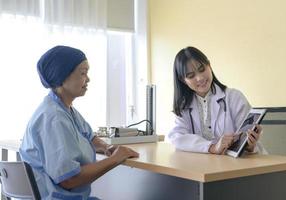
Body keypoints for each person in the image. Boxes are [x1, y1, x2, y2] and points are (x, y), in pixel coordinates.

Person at [19, 45, 139, 200]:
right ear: (62, 77)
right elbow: (68, 180)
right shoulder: (54, 118)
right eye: (83, 73)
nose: (88, 79)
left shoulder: (63, 109)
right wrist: (115, 159)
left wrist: (106, 147)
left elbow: (89, 136)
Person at [168, 46, 266, 155]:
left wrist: (250, 145)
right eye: (191, 76)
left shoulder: (234, 97)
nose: (200, 78)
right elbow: (177, 137)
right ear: (183, 80)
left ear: (209, 65)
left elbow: (248, 143)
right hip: (203, 168)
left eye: (202, 69)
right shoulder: (184, 106)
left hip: (237, 167)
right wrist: (212, 147)